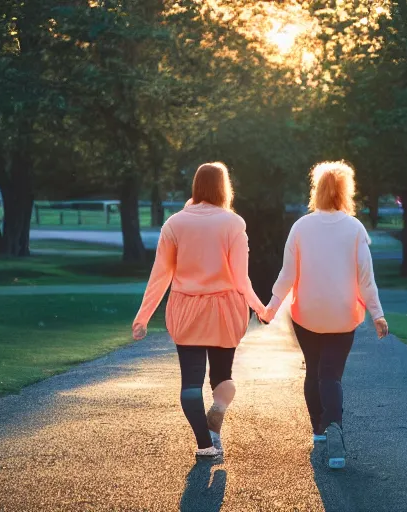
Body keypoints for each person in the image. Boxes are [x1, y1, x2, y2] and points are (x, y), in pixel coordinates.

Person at [132, 162, 266, 460]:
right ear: (223, 187)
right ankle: (217, 414)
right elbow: (241, 278)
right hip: (225, 310)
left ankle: (205, 444)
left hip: (186, 309)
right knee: (222, 376)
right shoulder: (233, 223)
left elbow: (160, 275)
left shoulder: (174, 224)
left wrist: (143, 317)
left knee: (191, 383)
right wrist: (260, 308)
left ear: (196, 186)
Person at [261, 161, 388, 470]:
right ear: (346, 192)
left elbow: (287, 274)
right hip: (343, 315)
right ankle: (334, 428)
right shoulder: (355, 228)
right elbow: (365, 278)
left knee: (314, 370)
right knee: (330, 374)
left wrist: (271, 308)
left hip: (306, 314)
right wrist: (377, 315)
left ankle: (319, 429)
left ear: (316, 191)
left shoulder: (301, 227)